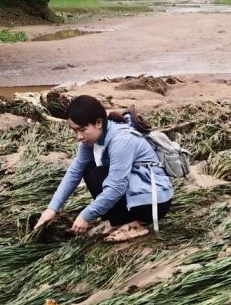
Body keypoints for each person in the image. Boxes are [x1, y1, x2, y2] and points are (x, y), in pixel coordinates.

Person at [35, 95, 173, 242]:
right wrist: (52, 208)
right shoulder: (90, 140)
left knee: (98, 174)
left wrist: (85, 216)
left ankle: (131, 225)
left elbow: (116, 188)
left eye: (82, 129)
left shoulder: (121, 140)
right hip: (135, 189)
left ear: (99, 123)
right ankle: (119, 221)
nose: (79, 136)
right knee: (88, 168)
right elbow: (75, 172)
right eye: (75, 131)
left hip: (155, 202)